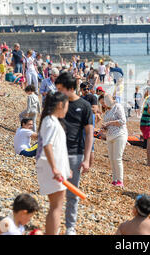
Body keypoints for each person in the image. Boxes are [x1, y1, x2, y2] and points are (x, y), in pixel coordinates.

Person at [55, 73, 94, 235]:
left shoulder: (84, 105)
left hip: (75, 154)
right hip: (57, 153)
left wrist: (87, 159)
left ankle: (70, 227)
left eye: (61, 89)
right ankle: (54, 225)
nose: (58, 92)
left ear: (71, 88)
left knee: (72, 193)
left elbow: (89, 133)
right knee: (56, 193)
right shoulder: (58, 103)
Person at [36, 91, 71, 235]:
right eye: (67, 106)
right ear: (61, 105)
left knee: (57, 205)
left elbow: (58, 148)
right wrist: (55, 169)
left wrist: (66, 169)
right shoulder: (49, 121)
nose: (67, 110)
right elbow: (47, 145)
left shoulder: (52, 120)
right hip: (51, 168)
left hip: (54, 167)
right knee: (56, 206)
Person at [100, 94, 128, 188]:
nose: (103, 105)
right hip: (110, 136)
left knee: (117, 158)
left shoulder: (118, 106)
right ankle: (114, 180)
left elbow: (123, 121)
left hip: (119, 134)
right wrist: (104, 128)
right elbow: (108, 125)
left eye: (103, 102)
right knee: (112, 159)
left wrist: (109, 123)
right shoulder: (107, 111)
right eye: (102, 103)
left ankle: (120, 180)